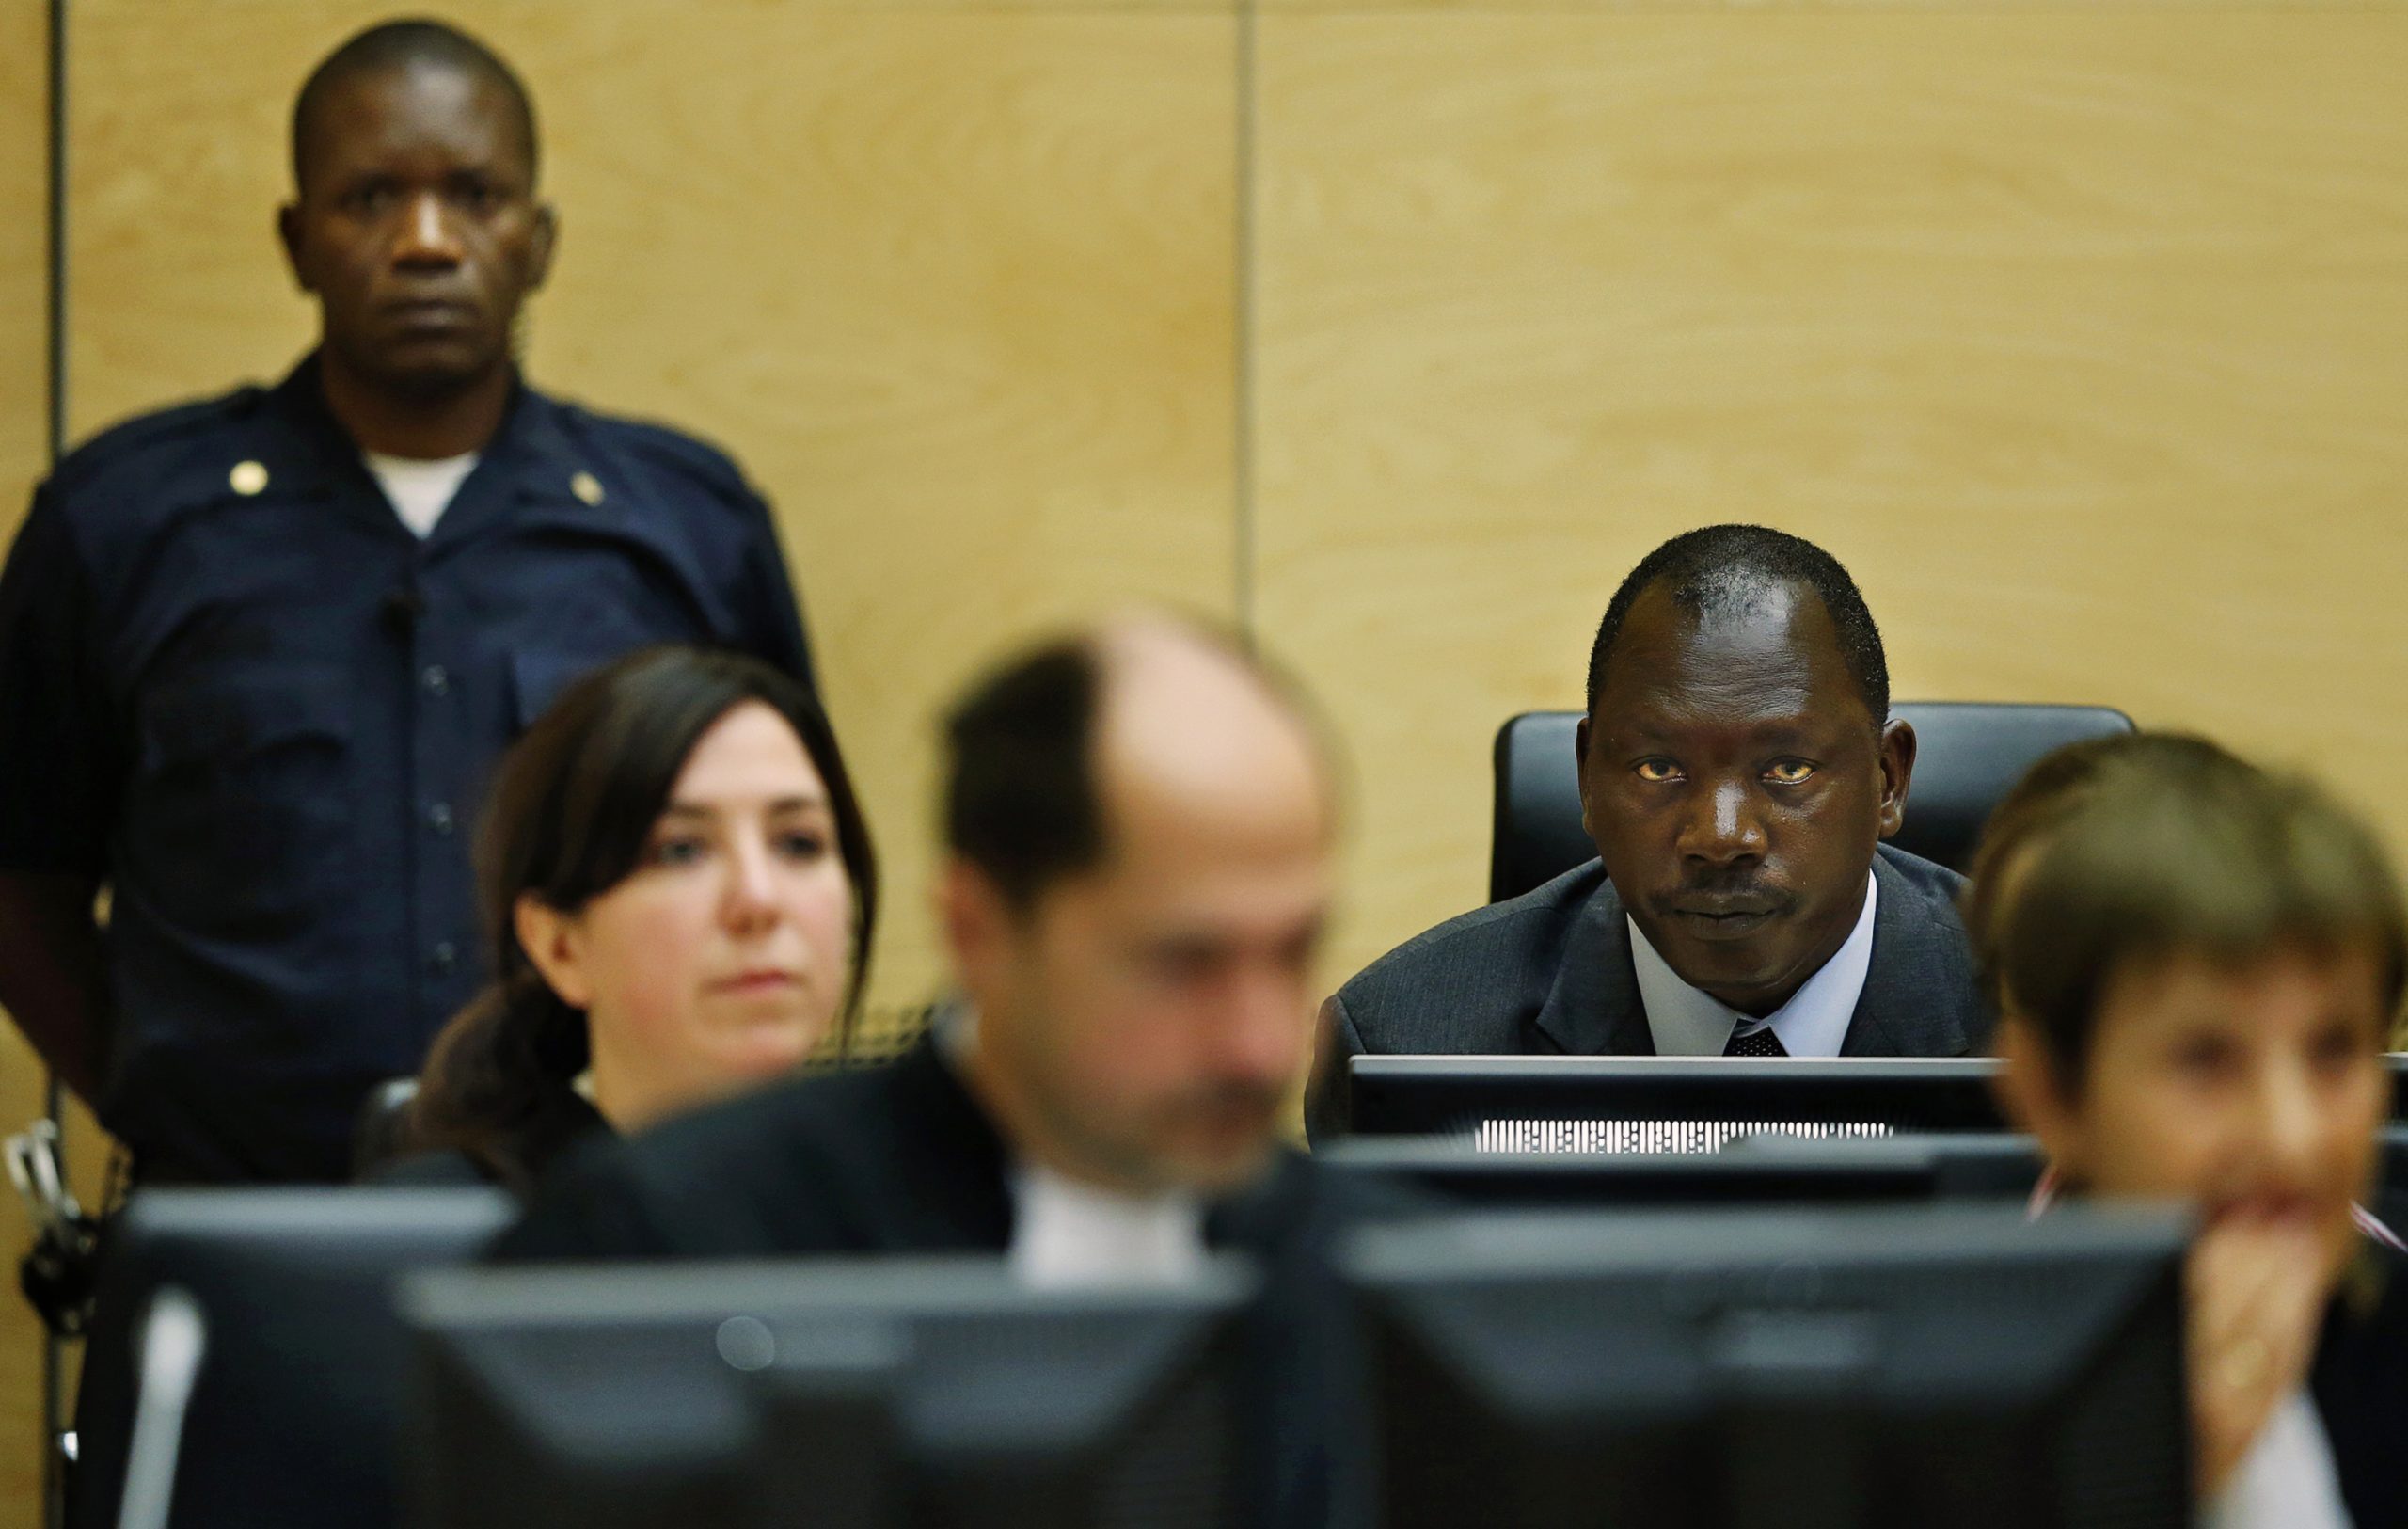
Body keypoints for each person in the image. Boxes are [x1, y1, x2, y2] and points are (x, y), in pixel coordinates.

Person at [0, 21, 815, 1183]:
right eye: (370, 197)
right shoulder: (126, 522)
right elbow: (21, 871)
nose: (426, 242)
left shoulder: (682, 526)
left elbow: (784, 857)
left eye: (475, 195)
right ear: (296, 241)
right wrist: (145, 1092)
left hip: (596, 1213)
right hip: (239, 1219)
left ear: (538, 240)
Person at [493, 614, 1406, 1528]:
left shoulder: (1390, 1284)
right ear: (978, 931)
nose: (1257, 1045)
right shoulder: (652, 1244)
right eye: (1181, 964)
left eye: (1291, 951)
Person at [1308, 523, 1986, 1139]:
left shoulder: (2053, 1021)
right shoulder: (1408, 1047)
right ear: (1587, 778)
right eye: (1659, 767)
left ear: (1888, 777)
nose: (1721, 837)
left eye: (1787, 767)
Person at [1973, 738, 2408, 1528]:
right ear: (2048, 1096)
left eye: (2335, 1050)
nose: (2293, 1138)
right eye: (2206, 1060)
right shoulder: (1942, 1407)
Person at [380, 646, 875, 1194]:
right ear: (559, 946)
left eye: (799, 843)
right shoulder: (464, 1231)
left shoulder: (924, 1202)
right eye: (682, 851)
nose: (759, 900)